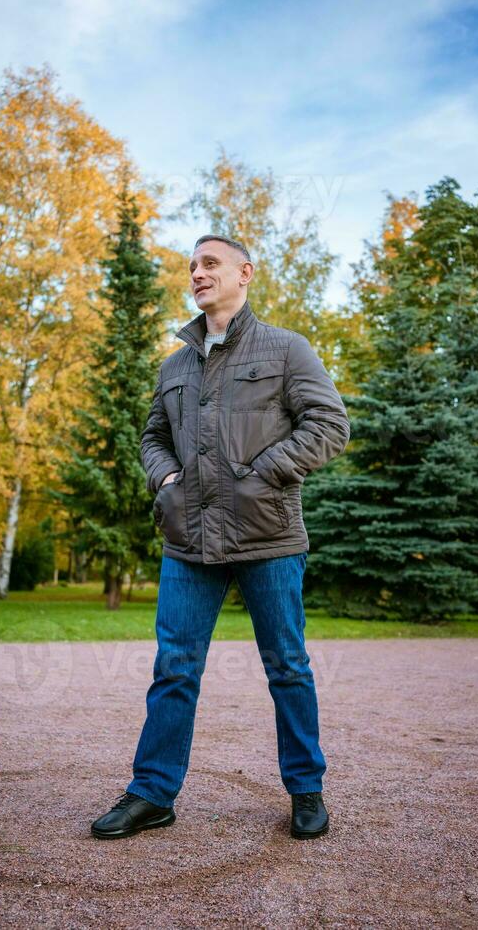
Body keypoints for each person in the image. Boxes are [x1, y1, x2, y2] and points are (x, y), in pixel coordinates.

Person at [91, 234, 350, 841]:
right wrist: (168, 479)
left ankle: (306, 789)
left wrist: (263, 473)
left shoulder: (286, 349)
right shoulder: (175, 364)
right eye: (192, 267)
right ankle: (152, 793)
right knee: (174, 668)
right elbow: (153, 437)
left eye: (210, 264)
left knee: (287, 665)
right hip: (188, 539)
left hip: (269, 536)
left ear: (244, 273)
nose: (198, 274)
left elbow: (330, 425)